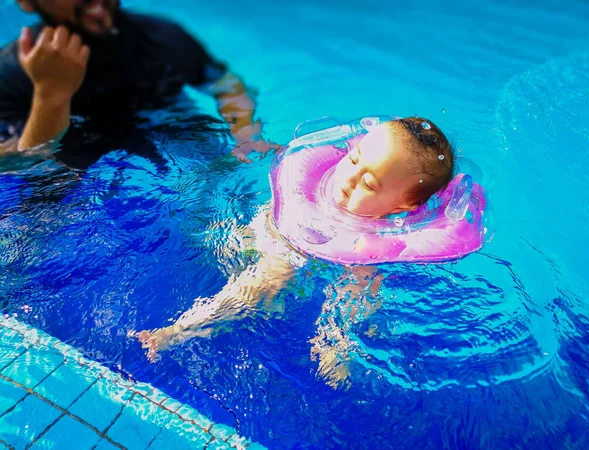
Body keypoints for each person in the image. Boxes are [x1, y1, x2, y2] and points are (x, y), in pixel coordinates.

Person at [137, 117, 455, 387]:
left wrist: (338, 331)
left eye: (369, 184)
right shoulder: (312, 188)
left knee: (360, 286)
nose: (350, 178)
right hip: (282, 238)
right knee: (261, 256)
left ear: (403, 207)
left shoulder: (379, 240)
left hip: (328, 253)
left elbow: (359, 286)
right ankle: (189, 318)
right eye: (355, 159)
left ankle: (333, 341)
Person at [0, 0, 277, 169]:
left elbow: (224, 83)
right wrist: (51, 96)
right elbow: (15, 163)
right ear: (26, 2)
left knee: (223, 174)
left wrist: (245, 133)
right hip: (69, 163)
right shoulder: (11, 72)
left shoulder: (164, 38)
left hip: (169, 128)